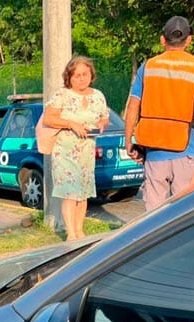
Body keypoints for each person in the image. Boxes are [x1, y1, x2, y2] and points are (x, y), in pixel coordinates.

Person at [124, 16, 194, 211]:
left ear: (162, 40)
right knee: (183, 210)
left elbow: (133, 106)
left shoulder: (148, 67)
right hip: (185, 148)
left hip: (154, 149)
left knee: (154, 212)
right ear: (189, 40)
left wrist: (128, 140)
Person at [42, 55, 110, 240]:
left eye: (85, 74)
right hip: (65, 152)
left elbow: (104, 116)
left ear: (91, 75)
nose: (81, 78)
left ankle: (80, 230)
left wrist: (103, 123)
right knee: (70, 192)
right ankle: (71, 233)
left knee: (84, 193)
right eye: (77, 75)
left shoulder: (98, 96)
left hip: (87, 151)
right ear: (69, 77)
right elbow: (48, 118)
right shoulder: (62, 95)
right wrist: (71, 124)